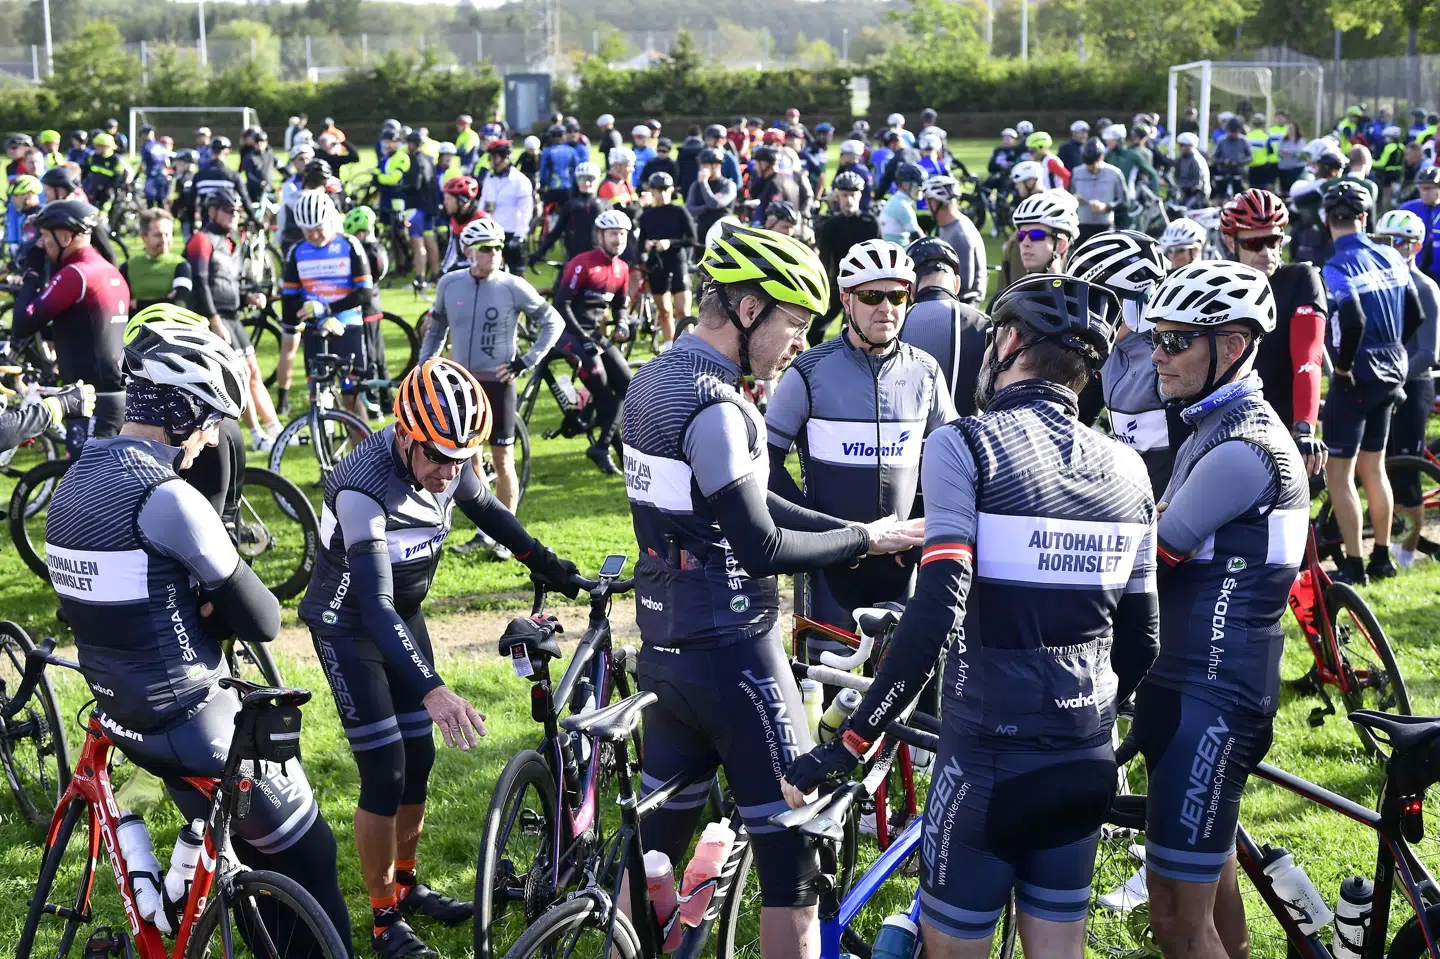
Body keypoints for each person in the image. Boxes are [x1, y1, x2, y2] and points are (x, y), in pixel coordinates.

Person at [784, 273, 1155, 959]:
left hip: (988, 760)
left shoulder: (966, 444)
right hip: (1084, 758)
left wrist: (855, 738)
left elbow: (939, 602)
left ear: (1009, 341)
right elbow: (1142, 638)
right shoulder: (1130, 469)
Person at [621, 222, 922, 959]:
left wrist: (867, 530)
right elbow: (760, 540)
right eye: (792, 322)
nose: (796, 342)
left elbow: (745, 499)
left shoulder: (651, 383)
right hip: (737, 661)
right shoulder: (719, 409)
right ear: (750, 308)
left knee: (651, 845)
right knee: (792, 868)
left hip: (663, 650)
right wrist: (857, 540)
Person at [44, 320, 354, 955]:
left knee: (233, 845)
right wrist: (210, 603)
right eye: (210, 421)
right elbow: (264, 617)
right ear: (181, 413)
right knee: (311, 853)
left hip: (117, 708)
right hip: (193, 720)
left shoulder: (70, 484)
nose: (211, 438)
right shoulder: (169, 498)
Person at [297, 357, 579, 959]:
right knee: (385, 769)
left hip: (403, 612)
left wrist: (551, 566)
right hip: (351, 625)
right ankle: (381, 920)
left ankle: (405, 883)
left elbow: (490, 512)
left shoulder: (447, 458)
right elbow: (372, 605)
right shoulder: (361, 488)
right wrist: (432, 687)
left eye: (460, 458)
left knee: (418, 756)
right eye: (436, 459)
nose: (448, 473)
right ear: (404, 435)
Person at [1133, 261, 1308, 959]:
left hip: (1210, 696)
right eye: (1156, 338)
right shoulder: (1213, 423)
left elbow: (1152, 556)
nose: (1156, 355)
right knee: (1209, 883)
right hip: (1187, 687)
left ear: (1231, 346)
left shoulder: (1244, 445)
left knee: (1176, 916)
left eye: (1176, 341)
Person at [767, 238, 954, 654]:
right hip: (831, 565)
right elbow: (765, 463)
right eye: (871, 295)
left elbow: (950, 462)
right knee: (825, 687)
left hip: (902, 563)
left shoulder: (925, 371)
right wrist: (824, 534)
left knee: (902, 693)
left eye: (897, 295)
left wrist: (921, 529)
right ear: (846, 299)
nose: (886, 308)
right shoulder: (808, 370)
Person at [421, 217, 562, 532]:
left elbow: (553, 321)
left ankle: (505, 535)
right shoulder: (449, 283)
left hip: (497, 384)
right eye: (486, 248)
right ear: (469, 251)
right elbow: (436, 329)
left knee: (502, 460)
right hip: (461, 384)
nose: (495, 253)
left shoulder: (512, 285)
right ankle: (488, 529)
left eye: (499, 247)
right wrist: (425, 367)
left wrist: (525, 361)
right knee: (469, 460)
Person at [1321, 181, 1423, 583]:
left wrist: (1342, 369)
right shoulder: (1391, 255)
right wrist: (1394, 347)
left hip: (1357, 378)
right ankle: (1382, 556)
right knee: (1374, 468)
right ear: (1365, 218)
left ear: (1329, 221)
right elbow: (1414, 313)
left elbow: (1353, 319)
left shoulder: (1335, 265)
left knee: (1340, 476)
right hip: (1392, 372)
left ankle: (1355, 565)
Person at [1212, 189, 1329, 481]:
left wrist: (1304, 429)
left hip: (1283, 427)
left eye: (1274, 240)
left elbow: (1309, 360)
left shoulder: (1301, 279)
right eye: (1255, 242)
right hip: (1226, 427)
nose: (1267, 252)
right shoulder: (1217, 285)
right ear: (1230, 241)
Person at [12, 200, 128, 455]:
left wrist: (31, 273)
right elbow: (83, 325)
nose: (41, 244)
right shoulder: (107, 269)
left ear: (65, 236)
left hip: (93, 397)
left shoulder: (77, 274)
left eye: (44, 236)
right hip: (111, 392)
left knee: (88, 488)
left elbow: (22, 322)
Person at [1068, 230, 1176, 496]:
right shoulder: (1108, 347)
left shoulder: (1164, 356)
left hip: (1166, 506)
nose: (1083, 314)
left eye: (1090, 301)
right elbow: (1078, 414)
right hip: (1127, 494)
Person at [185, 187, 282, 451]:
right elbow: (201, 283)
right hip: (215, 316)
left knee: (254, 371)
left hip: (232, 314)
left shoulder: (229, 242)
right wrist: (214, 319)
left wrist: (248, 296)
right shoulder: (201, 240)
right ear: (213, 211)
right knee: (239, 375)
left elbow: (227, 283)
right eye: (229, 211)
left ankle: (276, 430)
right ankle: (257, 433)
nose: (234, 216)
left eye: (237, 212)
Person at [1373, 208, 1440, 565]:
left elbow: (1428, 351)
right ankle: (1390, 537)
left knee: (1408, 474)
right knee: (1381, 464)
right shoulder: (1380, 284)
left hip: (1413, 386)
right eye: (1385, 240)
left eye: (1399, 242)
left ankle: (1409, 550)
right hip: (1385, 385)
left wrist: (1393, 377)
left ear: (1415, 246)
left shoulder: (1425, 288)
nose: (1392, 247)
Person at [277, 191, 377, 427]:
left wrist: (328, 308)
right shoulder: (296, 252)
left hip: (348, 326)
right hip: (315, 331)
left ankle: (362, 455)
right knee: (318, 397)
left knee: (351, 397)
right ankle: (327, 454)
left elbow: (365, 293)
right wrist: (301, 313)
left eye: (319, 227)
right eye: (307, 230)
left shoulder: (349, 244)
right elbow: (289, 300)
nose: (314, 235)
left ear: (330, 220)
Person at [550, 210, 635, 475]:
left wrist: (621, 322)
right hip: (569, 334)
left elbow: (621, 305)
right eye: (613, 234)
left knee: (629, 386)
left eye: (622, 234)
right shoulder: (582, 263)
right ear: (600, 236)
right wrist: (584, 338)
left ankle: (602, 446)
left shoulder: (622, 268)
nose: (618, 240)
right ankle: (612, 450)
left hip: (594, 336)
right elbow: (561, 304)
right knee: (603, 390)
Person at [899, 236, 989, 416]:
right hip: (968, 440)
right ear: (957, 284)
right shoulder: (984, 324)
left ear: (912, 286)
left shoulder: (895, 323)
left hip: (907, 440)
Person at [811, 170, 882, 347]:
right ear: (837, 196)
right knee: (814, 331)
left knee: (863, 332)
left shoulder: (870, 223)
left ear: (859, 195)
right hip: (837, 286)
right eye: (844, 195)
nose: (848, 200)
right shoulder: (830, 226)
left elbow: (878, 259)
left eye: (852, 195)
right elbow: (824, 260)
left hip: (864, 285)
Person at [637, 171, 696, 346]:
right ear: (652, 191)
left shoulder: (679, 211)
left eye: (665, 190)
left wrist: (670, 242)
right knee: (664, 311)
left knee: (682, 310)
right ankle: (669, 346)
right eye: (657, 190)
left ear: (670, 190)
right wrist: (647, 245)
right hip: (657, 264)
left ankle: (690, 347)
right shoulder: (647, 215)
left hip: (677, 261)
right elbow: (639, 243)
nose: (662, 194)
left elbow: (692, 239)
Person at [922, 175, 987, 304]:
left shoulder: (959, 234)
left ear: (936, 202)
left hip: (963, 305)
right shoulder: (946, 226)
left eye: (928, 201)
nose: (927, 205)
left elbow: (964, 284)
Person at [530, 161, 603, 267]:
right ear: (577, 180)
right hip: (574, 258)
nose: (586, 183)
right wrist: (540, 252)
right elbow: (556, 231)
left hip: (598, 259)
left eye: (590, 179)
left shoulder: (605, 204)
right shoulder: (571, 204)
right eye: (582, 178)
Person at [478, 141, 532, 275]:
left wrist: (520, 235)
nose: (489, 161)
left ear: (501, 158)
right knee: (492, 275)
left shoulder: (520, 181)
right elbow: (482, 206)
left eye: (491, 158)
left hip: (511, 234)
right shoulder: (489, 179)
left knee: (517, 276)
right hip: (492, 233)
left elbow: (526, 211)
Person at [122, 207, 192, 311]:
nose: (164, 240)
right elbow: (123, 305)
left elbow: (179, 303)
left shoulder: (182, 266)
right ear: (144, 237)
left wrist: (139, 303)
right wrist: (166, 300)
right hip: (137, 326)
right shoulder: (128, 267)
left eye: (167, 235)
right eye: (158, 235)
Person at [1011, 190, 1080, 282]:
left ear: (1061, 245)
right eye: (1021, 235)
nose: (1025, 243)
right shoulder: (1006, 295)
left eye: (1036, 235)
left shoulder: (1081, 294)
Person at [1069, 139, 1127, 243]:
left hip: (1105, 226)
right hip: (1082, 225)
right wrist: (1075, 199)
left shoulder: (1114, 173)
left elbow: (1124, 201)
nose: (1089, 167)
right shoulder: (1077, 172)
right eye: (1087, 163)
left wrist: (1107, 207)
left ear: (1101, 157)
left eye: (1092, 163)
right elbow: (1069, 195)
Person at [685, 148, 739, 245]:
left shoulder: (728, 185)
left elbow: (714, 204)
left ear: (716, 166)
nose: (702, 168)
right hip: (701, 237)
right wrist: (707, 207)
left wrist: (704, 183)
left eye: (705, 165)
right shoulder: (696, 185)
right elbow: (689, 209)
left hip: (722, 238)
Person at [437, 176, 487, 275]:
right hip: (465, 270)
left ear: (462, 200)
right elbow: (453, 247)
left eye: (448, 199)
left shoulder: (482, 221)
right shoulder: (455, 218)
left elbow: (487, 255)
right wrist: (443, 270)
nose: (444, 202)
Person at [1400, 166, 1440, 287]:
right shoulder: (1407, 209)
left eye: (1430, 188)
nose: (1426, 192)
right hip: (1412, 270)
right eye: (1423, 188)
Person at [879, 163, 925, 246]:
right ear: (905, 185)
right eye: (918, 184)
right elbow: (919, 239)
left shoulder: (895, 200)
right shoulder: (902, 205)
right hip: (899, 252)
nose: (920, 189)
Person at [1173, 132, 1211, 208]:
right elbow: (1177, 176)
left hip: (1197, 196)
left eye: (1183, 145)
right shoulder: (1181, 159)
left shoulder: (1196, 161)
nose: (1180, 147)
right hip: (1185, 193)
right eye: (1180, 145)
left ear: (1190, 146)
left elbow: (1197, 184)